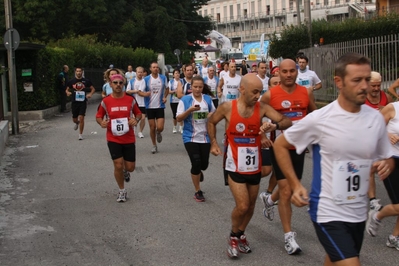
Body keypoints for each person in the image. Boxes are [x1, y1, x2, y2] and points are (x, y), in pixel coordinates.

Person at [273, 53, 393, 265]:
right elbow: (281, 145)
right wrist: (295, 184)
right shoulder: (321, 119)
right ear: (339, 82)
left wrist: (387, 163)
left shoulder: (375, 118)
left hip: (357, 212)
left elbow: (385, 155)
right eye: (357, 80)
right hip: (327, 211)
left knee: (335, 259)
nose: (364, 86)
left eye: (367, 79)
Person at [208, 74, 292, 259]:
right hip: (234, 165)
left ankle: (240, 234)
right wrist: (213, 142)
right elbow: (211, 122)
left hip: (254, 166)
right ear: (242, 89)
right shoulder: (227, 108)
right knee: (243, 205)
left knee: (252, 205)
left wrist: (273, 126)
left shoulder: (261, 108)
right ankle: (232, 235)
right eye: (254, 92)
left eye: (260, 92)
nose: (258, 96)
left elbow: (287, 121)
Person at [259, 59, 317, 255]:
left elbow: (314, 114)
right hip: (279, 148)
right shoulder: (270, 95)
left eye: (292, 71)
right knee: (286, 191)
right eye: (285, 71)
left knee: (292, 186)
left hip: (299, 149)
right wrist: (262, 135)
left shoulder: (305, 92)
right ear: (279, 73)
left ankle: (269, 200)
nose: (289, 74)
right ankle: (289, 237)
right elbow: (254, 115)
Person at [96, 74, 142, 202]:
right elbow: (98, 116)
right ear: (110, 85)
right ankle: (122, 190)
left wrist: (135, 120)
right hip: (113, 138)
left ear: (123, 85)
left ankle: (125, 172)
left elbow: (138, 113)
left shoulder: (130, 99)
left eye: (120, 83)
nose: (118, 85)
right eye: (115, 83)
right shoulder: (105, 101)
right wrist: (101, 123)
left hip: (128, 138)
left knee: (130, 167)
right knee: (118, 164)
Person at [176, 76, 216, 202]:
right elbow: (179, 118)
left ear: (203, 87)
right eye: (195, 87)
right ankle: (197, 191)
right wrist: (190, 110)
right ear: (191, 87)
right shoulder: (185, 100)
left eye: (200, 87)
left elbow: (215, 114)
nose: (197, 89)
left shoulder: (208, 99)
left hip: (205, 137)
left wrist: (211, 115)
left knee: (203, 165)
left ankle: (199, 172)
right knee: (196, 163)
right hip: (190, 137)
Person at [366, 101, 399, 250]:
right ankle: (377, 216)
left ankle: (394, 237)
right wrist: (387, 134)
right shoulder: (392, 108)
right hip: (390, 160)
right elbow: (374, 129)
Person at [365, 71, 393, 212]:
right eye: (373, 86)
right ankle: (372, 199)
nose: (376, 89)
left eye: (378, 85)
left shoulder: (386, 97)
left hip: (382, 139)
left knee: (384, 167)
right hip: (366, 138)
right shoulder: (362, 98)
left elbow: (393, 118)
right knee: (370, 169)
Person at [258, 75, 281, 221]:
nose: (278, 85)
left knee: (279, 172)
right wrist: (262, 136)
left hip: (282, 142)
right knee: (266, 170)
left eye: (280, 82)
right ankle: (244, 179)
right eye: (275, 83)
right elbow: (256, 118)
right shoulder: (264, 100)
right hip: (267, 140)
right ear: (269, 86)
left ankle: (268, 193)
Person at [138, 62, 169, 154]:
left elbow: (167, 89)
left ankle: (158, 133)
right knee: (152, 127)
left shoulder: (163, 78)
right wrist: (145, 94)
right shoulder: (146, 79)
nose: (156, 68)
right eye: (154, 67)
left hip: (160, 106)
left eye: (157, 67)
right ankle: (154, 145)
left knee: (160, 127)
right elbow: (140, 92)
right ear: (150, 69)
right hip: (150, 107)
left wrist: (165, 97)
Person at [65, 67, 95, 140]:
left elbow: (93, 89)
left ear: (82, 72)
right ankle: (77, 122)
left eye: (80, 71)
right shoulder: (72, 81)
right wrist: (67, 92)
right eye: (77, 71)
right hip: (75, 101)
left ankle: (80, 134)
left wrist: (90, 94)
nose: (79, 72)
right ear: (75, 72)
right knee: (74, 119)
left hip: (83, 102)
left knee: (81, 118)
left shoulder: (86, 81)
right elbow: (67, 89)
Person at [126, 66, 146, 138]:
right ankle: (133, 130)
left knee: (143, 118)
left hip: (143, 102)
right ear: (136, 73)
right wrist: (135, 91)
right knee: (135, 118)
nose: (140, 74)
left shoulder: (145, 81)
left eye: (141, 72)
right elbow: (127, 91)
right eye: (138, 72)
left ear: (143, 73)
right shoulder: (132, 81)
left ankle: (140, 132)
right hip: (134, 102)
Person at [168, 68, 183, 134]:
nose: (177, 74)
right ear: (173, 75)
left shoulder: (182, 81)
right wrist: (175, 91)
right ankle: (174, 127)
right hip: (173, 101)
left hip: (181, 100)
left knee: (181, 114)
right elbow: (168, 91)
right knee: (175, 115)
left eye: (178, 73)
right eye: (176, 73)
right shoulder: (171, 82)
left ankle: (181, 127)